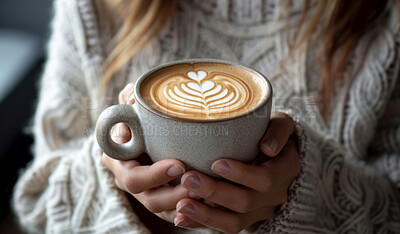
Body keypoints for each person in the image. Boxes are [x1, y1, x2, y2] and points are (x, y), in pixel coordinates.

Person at [13, 0, 400, 233]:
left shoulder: (387, 19)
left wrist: (311, 190)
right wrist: (120, 188)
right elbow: (41, 205)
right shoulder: (94, 9)